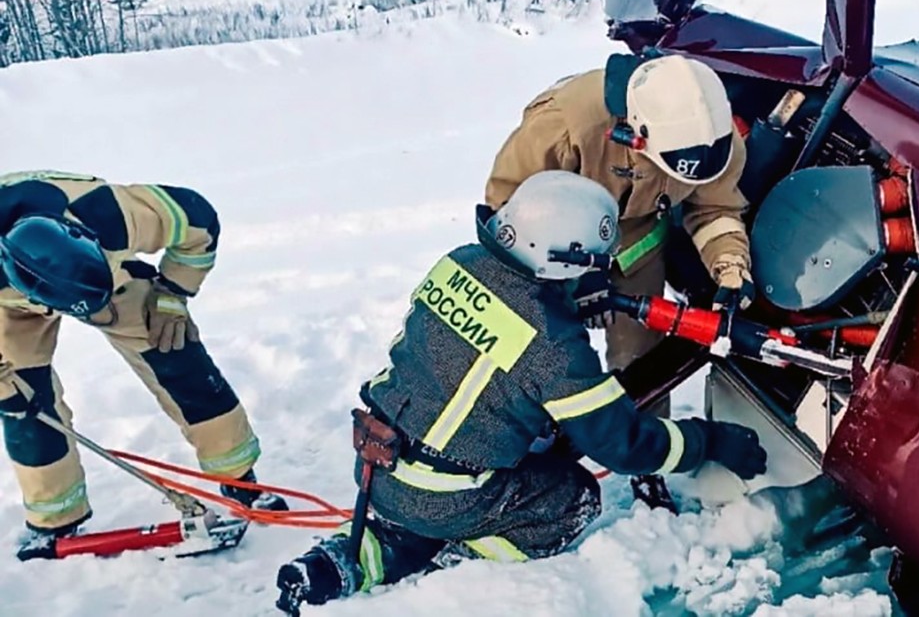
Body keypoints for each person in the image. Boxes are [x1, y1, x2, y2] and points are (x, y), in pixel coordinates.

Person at [274, 171, 767, 616]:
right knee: (571, 496)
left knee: (432, 497)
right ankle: (456, 556)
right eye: (592, 266)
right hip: (446, 494)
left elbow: (486, 353)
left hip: (378, 465)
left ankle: (337, 562)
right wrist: (710, 442)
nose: (596, 276)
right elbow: (622, 444)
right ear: (560, 261)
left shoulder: (459, 263)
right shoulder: (552, 346)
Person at [484, 53, 756, 508]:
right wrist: (579, 274)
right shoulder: (565, 123)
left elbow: (715, 209)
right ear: (636, 133)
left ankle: (647, 466)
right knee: (539, 354)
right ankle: (519, 448)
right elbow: (507, 206)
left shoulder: (715, 140)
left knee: (641, 357)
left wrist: (730, 269)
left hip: (636, 241)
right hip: (547, 243)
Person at [0, 170, 286, 561]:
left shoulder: (111, 214)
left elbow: (200, 220)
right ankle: (55, 517)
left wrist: (172, 294)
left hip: (109, 280)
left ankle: (239, 479)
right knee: (22, 405)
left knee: (175, 351)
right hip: (7, 306)